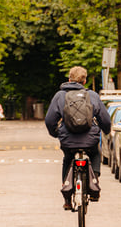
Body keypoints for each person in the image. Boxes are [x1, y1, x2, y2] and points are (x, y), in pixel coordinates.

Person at [45, 66, 111, 210]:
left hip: (68, 140)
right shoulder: (92, 96)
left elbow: (49, 120)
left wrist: (56, 133)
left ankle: (67, 198)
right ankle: (94, 184)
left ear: (69, 79)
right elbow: (105, 120)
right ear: (85, 81)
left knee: (68, 159)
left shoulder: (60, 96)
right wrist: (106, 131)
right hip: (90, 139)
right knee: (95, 154)